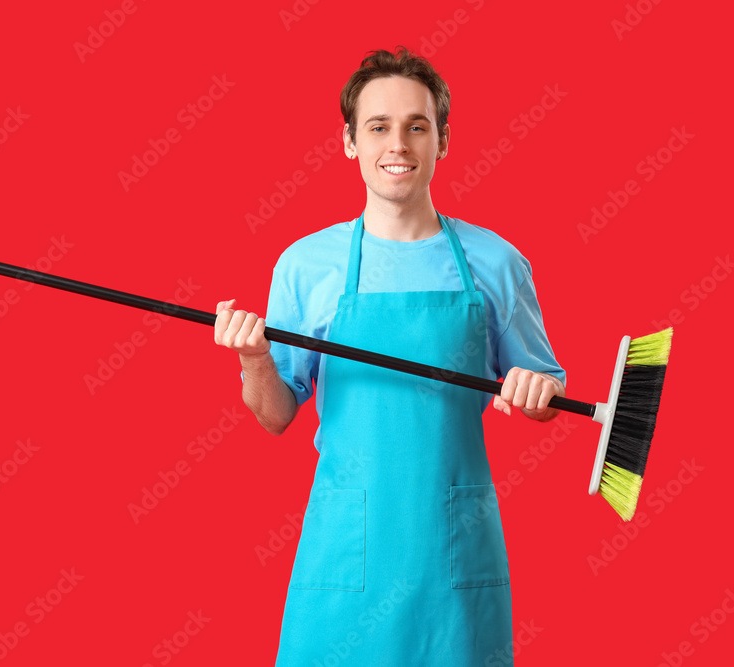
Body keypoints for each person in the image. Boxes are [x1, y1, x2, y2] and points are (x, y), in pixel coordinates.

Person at [214, 46, 567, 665]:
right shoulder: (306, 266)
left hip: (452, 554)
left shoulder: (498, 264)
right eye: (378, 126)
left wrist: (539, 392)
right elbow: (275, 415)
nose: (397, 144)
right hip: (348, 551)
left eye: (416, 125)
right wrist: (252, 359)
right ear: (349, 141)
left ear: (443, 139)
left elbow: (545, 388)